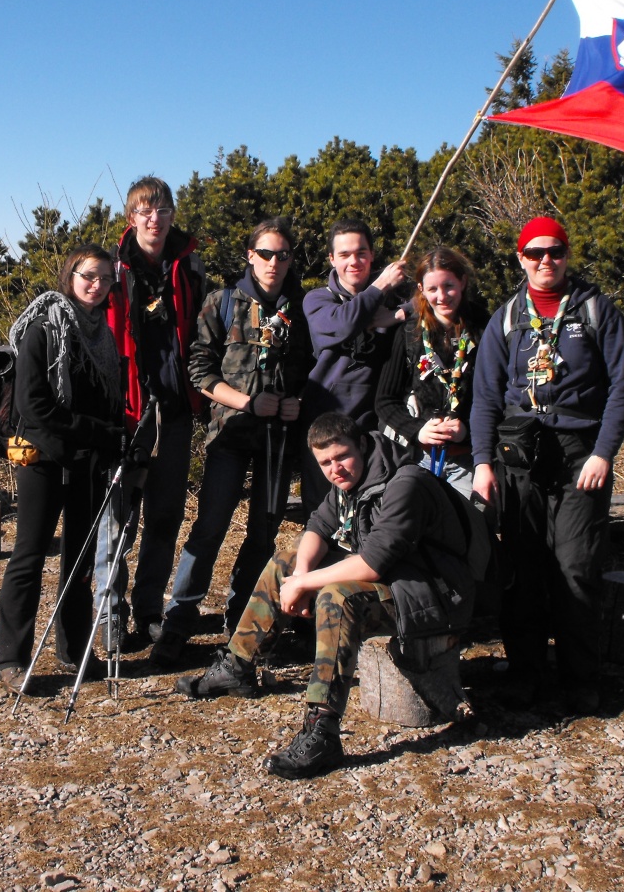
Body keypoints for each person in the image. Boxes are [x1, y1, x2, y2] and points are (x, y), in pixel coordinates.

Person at [174, 412, 476, 779]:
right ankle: (238, 666)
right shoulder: (353, 477)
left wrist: (306, 584)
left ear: (362, 444)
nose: (335, 469)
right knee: (288, 560)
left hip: (432, 594)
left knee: (338, 597)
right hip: (397, 581)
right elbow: (319, 525)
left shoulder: (404, 482)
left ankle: (322, 731)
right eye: (325, 463)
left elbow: (372, 564)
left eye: (341, 457)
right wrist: (299, 575)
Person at [470, 216, 624, 714]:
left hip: (578, 455)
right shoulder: (506, 318)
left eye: (556, 252)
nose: (547, 261)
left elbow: (621, 390)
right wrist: (483, 462)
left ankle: (580, 679)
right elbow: (484, 397)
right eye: (536, 253)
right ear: (520, 258)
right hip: (519, 456)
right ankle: (525, 672)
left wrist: (604, 452)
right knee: (523, 570)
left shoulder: (597, 311)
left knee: (576, 567)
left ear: (567, 255)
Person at [150, 217, 312, 665]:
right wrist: (246, 403)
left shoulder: (303, 309)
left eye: (282, 255)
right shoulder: (222, 303)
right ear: (249, 256)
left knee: (263, 533)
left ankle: (241, 622)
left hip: (279, 439)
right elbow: (199, 370)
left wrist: (297, 400)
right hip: (229, 435)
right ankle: (179, 618)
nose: (273, 263)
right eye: (265, 253)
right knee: (210, 527)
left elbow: (311, 368)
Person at [0, 244, 125, 691]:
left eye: (106, 278)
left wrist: (113, 436)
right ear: (70, 275)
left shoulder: (101, 334)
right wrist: (97, 432)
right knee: (29, 554)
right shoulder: (42, 326)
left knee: (79, 559)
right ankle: (12, 659)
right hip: (43, 458)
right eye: (89, 276)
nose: (96, 285)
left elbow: (105, 400)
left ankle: (72, 650)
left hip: (86, 461)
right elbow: (34, 405)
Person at [95, 176, 207, 646]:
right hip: (127, 413)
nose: (153, 219)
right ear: (130, 218)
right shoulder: (112, 270)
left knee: (165, 517)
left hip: (175, 412)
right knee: (118, 517)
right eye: (144, 211)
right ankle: (109, 614)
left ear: (172, 215)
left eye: (161, 210)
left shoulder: (189, 268)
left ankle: (148, 610)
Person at [300, 219, 407, 510]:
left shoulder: (392, 301)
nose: (354, 261)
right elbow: (342, 323)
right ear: (332, 259)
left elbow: (433, 302)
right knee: (324, 513)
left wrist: (397, 315)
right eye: (344, 255)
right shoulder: (318, 299)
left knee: (374, 512)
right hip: (325, 427)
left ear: (372, 255)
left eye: (361, 253)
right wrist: (380, 286)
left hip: (374, 430)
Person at [375, 246, 490, 496]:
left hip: (469, 461)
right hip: (418, 458)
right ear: (421, 290)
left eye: (449, 286)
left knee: (471, 529)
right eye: (432, 289)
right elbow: (385, 401)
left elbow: (495, 397)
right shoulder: (408, 334)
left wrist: (467, 430)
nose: (442, 296)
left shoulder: (484, 328)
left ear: (463, 282)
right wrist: (418, 430)